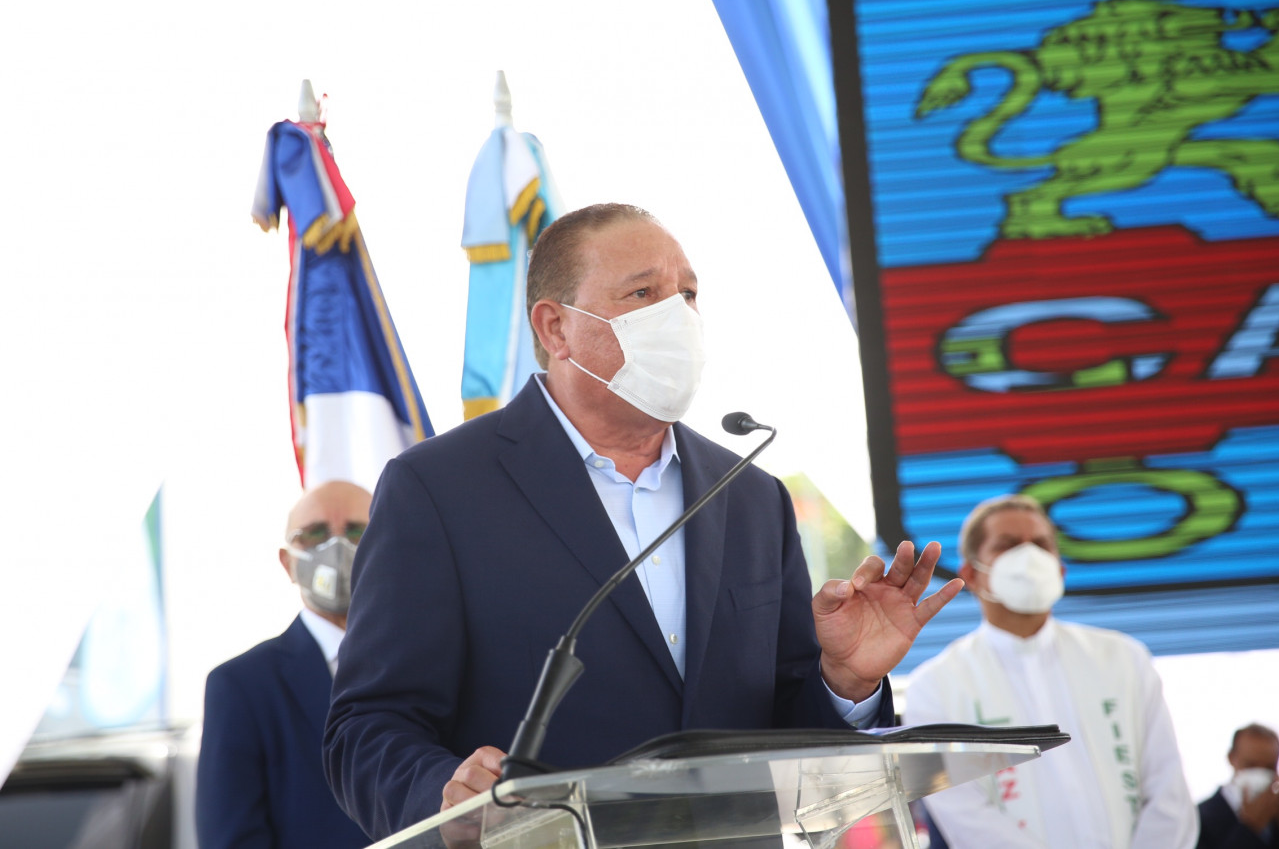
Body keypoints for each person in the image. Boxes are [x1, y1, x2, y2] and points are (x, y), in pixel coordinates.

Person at [323, 203, 964, 840]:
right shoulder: (439, 488)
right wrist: (446, 797)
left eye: (688, 294)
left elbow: (786, 733)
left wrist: (845, 680)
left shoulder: (751, 497)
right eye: (643, 294)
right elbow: (368, 729)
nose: (678, 316)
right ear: (555, 328)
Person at [904, 494, 1197, 849]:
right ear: (971, 574)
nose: (1029, 557)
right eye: (1008, 545)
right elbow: (964, 816)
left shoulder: (1122, 658)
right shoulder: (935, 687)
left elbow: (1168, 791)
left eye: (1041, 545)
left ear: (1059, 570)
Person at [196, 480, 372, 849]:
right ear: (287, 562)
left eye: (357, 532)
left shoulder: (436, 663)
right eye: (314, 534)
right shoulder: (242, 686)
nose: (336, 549)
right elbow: (232, 839)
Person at [1197, 723, 1279, 848]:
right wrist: (1249, 829)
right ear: (1231, 758)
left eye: (1269, 767)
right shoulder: (1199, 818)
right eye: (1251, 765)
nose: (1260, 774)